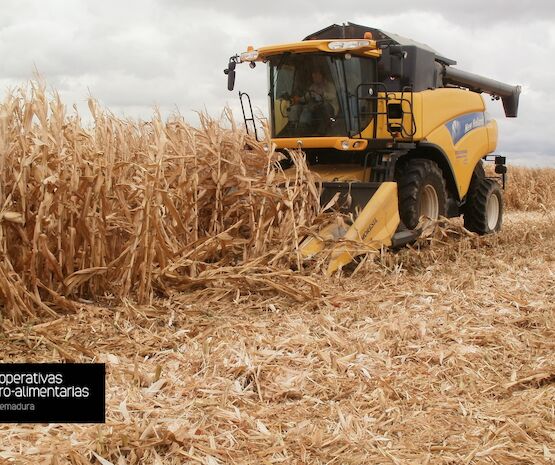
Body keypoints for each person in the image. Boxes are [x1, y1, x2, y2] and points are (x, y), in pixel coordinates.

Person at [289, 68, 339, 134]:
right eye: (313, 77)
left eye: (316, 76)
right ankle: (301, 128)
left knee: (323, 106)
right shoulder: (313, 86)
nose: (314, 78)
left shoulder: (329, 85)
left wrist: (323, 93)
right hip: (315, 108)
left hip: (329, 110)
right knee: (302, 108)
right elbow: (306, 97)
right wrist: (298, 99)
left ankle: (323, 130)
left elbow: (333, 96)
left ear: (321, 76)